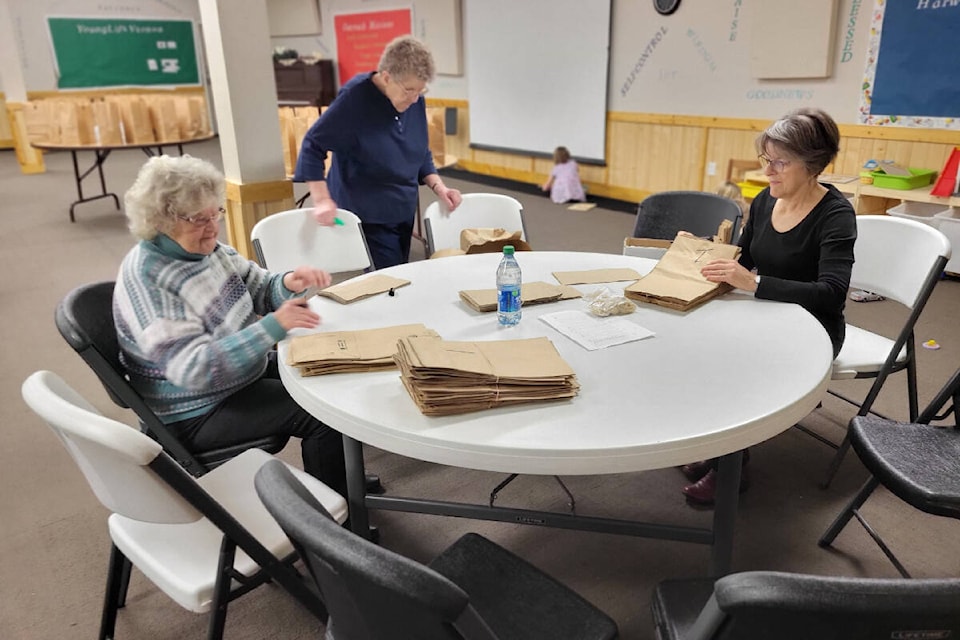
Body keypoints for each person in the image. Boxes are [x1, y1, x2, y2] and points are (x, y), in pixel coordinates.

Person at [113, 155, 356, 497]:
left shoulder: (205, 249)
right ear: (161, 220)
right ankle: (338, 516)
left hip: (238, 375)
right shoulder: (148, 278)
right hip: (195, 409)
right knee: (321, 413)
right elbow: (193, 369)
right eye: (200, 219)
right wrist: (271, 328)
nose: (213, 228)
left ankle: (345, 479)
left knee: (327, 374)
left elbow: (258, 286)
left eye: (216, 214)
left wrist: (288, 282)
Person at [680, 108, 857, 506]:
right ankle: (723, 444)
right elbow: (742, 261)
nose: (768, 172)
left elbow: (832, 292)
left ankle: (732, 466)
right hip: (767, 310)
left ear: (812, 166)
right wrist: (700, 257)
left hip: (814, 327)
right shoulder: (764, 200)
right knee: (695, 338)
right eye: (767, 160)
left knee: (735, 359)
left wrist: (755, 283)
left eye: (780, 163)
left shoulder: (836, 215)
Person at [293, 35, 462, 270]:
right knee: (387, 283)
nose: (414, 99)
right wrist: (321, 199)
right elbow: (313, 144)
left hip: (402, 207)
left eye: (420, 91)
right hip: (368, 212)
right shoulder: (355, 99)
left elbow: (418, 149)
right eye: (409, 90)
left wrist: (439, 187)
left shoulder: (413, 99)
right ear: (386, 77)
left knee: (399, 272)